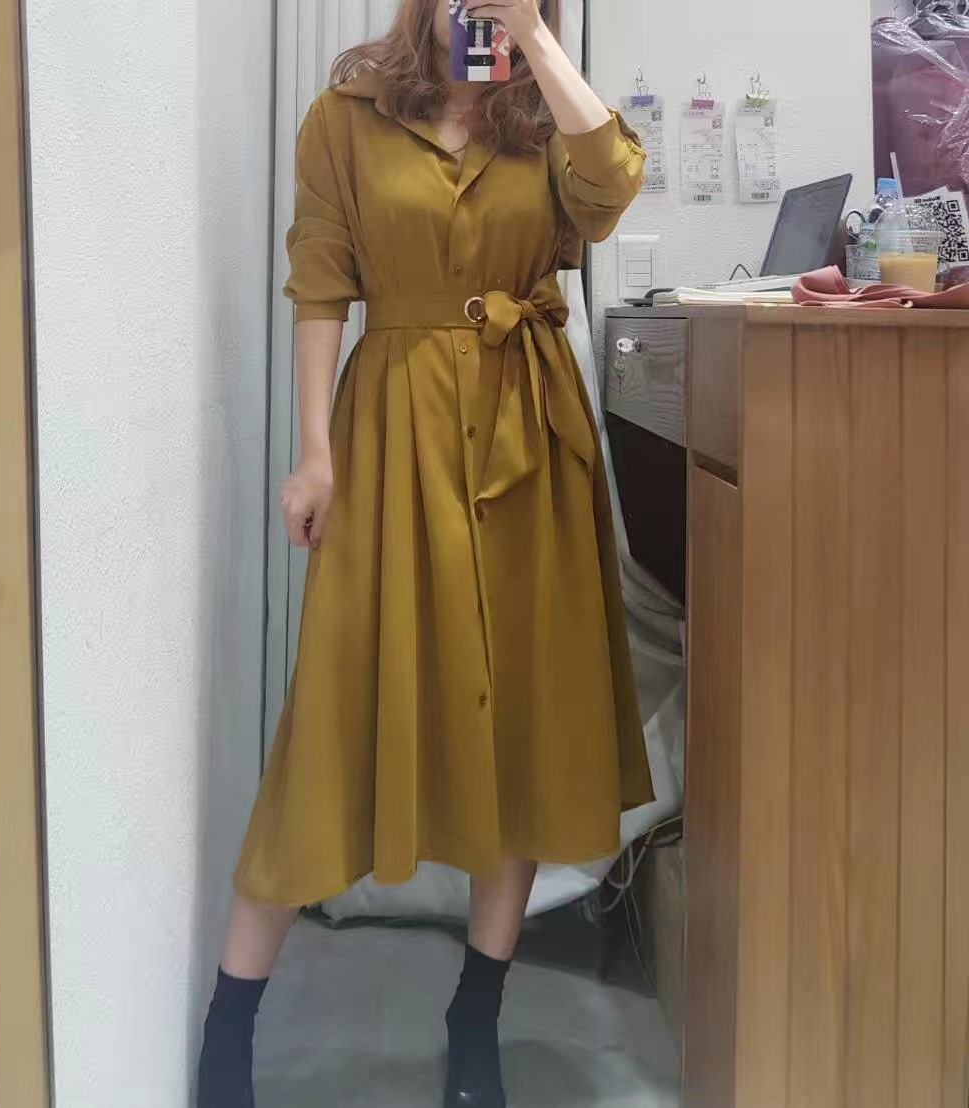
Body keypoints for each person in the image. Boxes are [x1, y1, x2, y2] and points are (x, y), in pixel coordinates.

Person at [197, 1, 652, 1104]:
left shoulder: (544, 120)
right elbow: (320, 283)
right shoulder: (345, 117)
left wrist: (538, 44)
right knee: (334, 715)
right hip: (394, 435)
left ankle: (475, 1013)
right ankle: (228, 1029)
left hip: (529, 443)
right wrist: (315, 454)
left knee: (520, 725)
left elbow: (609, 192)